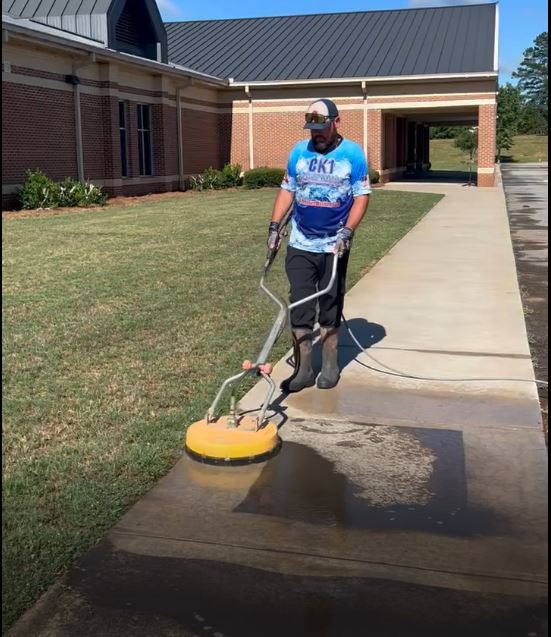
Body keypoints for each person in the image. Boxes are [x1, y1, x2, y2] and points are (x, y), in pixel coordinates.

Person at [267, 98, 371, 392]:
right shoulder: (298, 152)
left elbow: (361, 196)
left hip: (334, 244)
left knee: (330, 303)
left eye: (322, 127)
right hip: (301, 241)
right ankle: (303, 370)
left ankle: (329, 365)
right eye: (312, 129)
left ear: (336, 122)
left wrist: (347, 232)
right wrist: (274, 226)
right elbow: (288, 190)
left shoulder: (352, 154)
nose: (317, 134)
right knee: (300, 304)